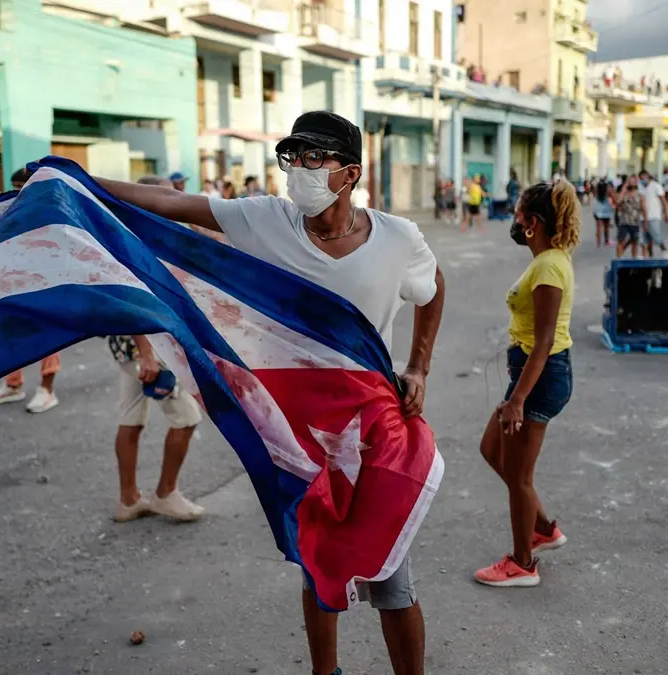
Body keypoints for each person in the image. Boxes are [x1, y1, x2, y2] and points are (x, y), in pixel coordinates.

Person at [91, 109, 445, 675]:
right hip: (300, 433)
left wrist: (420, 366)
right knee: (316, 559)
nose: (297, 170)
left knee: (392, 575)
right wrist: (76, 179)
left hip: (372, 428)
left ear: (349, 172)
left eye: (313, 158)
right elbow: (169, 205)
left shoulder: (397, 238)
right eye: (291, 157)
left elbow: (432, 287)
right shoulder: (266, 219)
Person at [475, 179, 579, 588]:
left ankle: (522, 563)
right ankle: (543, 530)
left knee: (519, 476)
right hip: (531, 375)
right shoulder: (545, 261)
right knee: (491, 449)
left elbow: (546, 340)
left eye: (519, 214)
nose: (515, 221)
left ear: (533, 222)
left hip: (541, 377)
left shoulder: (550, 266)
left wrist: (517, 399)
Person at [105, 334, 205, 522]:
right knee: (186, 419)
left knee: (130, 417)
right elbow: (138, 306)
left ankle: (128, 500)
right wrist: (147, 354)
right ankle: (165, 494)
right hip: (148, 347)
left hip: (125, 344)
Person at [639, 170, 668, 259]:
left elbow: (663, 201)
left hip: (654, 216)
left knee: (656, 236)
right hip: (643, 217)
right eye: (641, 179)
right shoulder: (641, 187)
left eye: (643, 178)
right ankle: (649, 255)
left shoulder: (656, 186)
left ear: (648, 177)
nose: (642, 180)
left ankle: (664, 250)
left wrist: (666, 213)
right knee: (645, 238)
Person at [614, 175, 644, 259]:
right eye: (629, 181)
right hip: (624, 221)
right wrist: (624, 189)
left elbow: (643, 207)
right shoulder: (623, 193)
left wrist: (645, 221)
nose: (631, 183)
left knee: (635, 241)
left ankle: (634, 259)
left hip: (635, 221)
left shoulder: (639, 193)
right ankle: (619, 258)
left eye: (633, 181)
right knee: (621, 240)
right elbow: (618, 202)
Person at [592, 179, 613, 247]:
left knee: (598, 227)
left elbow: (594, 196)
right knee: (606, 227)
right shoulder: (608, 190)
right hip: (606, 210)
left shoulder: (596, 189)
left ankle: (598, 243)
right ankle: (606, 241)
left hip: (598, 210)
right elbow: (612, 197)